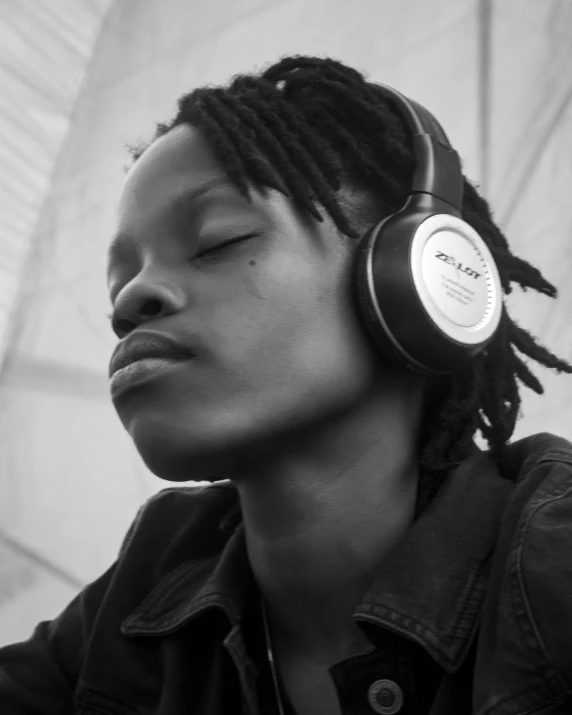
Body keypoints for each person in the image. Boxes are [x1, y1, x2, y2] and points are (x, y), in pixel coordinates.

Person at [1, 55, 572, 715]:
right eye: (117, 283)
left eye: (218, 239)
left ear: (422, 278)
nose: (131, 298)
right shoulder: (143, 585)